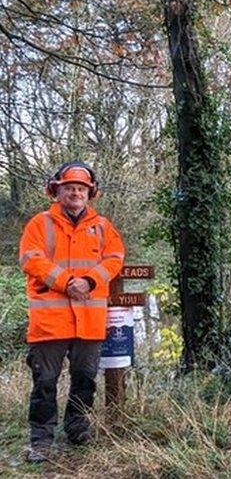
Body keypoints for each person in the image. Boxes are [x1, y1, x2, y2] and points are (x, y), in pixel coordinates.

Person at [18, 161, 125, 463]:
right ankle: (41, 441)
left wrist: (90, 280)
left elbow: (115, 258)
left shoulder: (103, 226)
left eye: (81, 188)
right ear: (57, 191)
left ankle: (77, 428)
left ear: (90, 193)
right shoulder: (40, 224)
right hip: (49, 322)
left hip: (89, 321)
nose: (76, 192)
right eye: (70, 188)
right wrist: (67, 283)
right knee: (45, 383)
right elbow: (30, 259)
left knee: (85, 379)